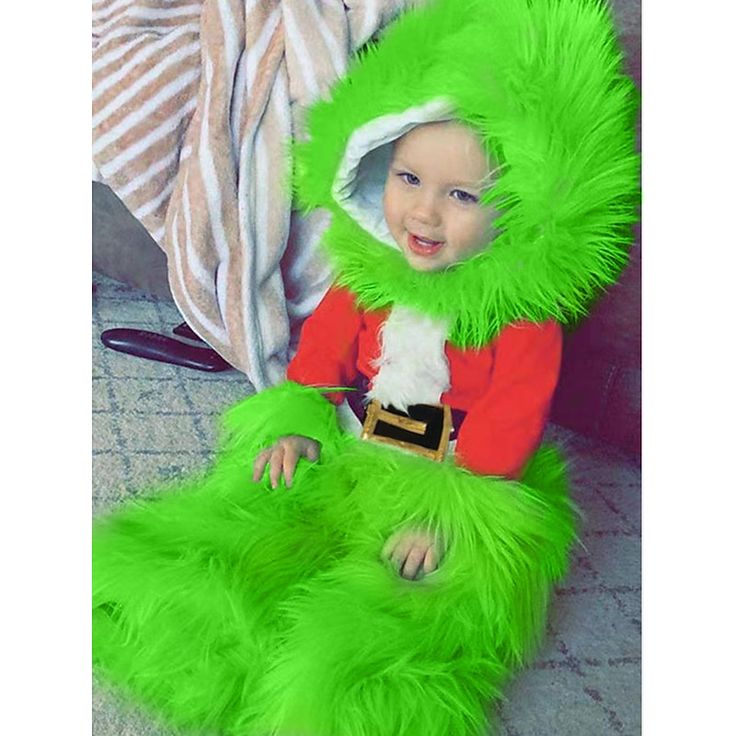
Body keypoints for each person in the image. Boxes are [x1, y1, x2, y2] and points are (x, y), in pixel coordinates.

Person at [92, 1, 639, 734]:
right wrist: (301, 421)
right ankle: (216, 623)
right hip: (358, 440)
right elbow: (322, 356)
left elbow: (509, 421)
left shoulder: (524, 322)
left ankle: (332, 690)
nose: (424, 214)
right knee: (252, 528)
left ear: (520, 212)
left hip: (455, 469)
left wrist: (449, 516)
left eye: (463, 195)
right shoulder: (370, 279)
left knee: (407, 610)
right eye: (408, 178)